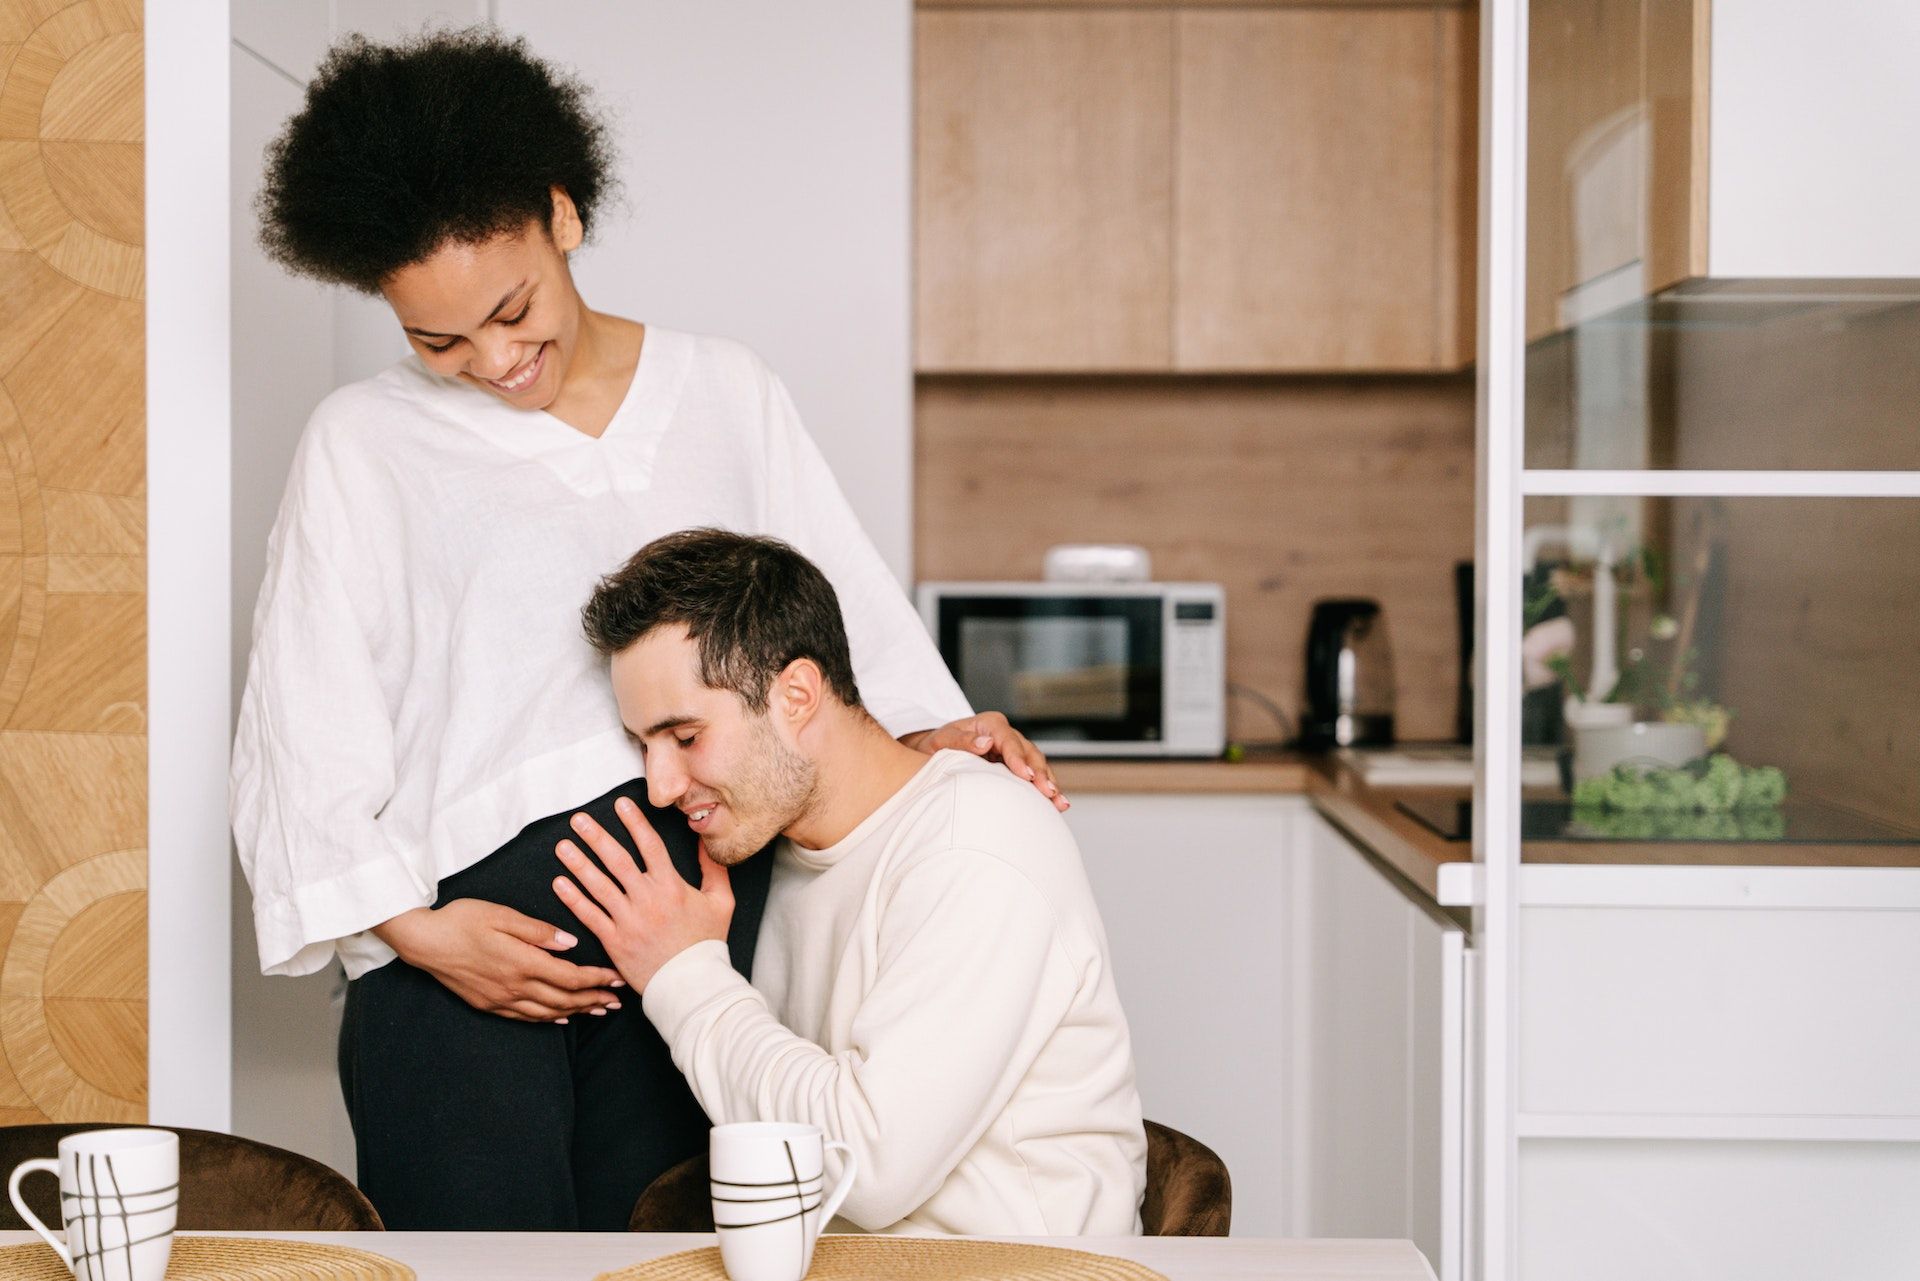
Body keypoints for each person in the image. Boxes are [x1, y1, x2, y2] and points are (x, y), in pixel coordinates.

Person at [230, 27, 1063, 1231]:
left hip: (702, 957)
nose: (493, 360)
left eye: (512, 311)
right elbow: (303, 728)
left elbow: (831, 631)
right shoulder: (363, 443)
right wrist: (426, 939)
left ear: (563, 216)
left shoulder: (724, 390)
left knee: (676, 1262)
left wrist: (941, 738)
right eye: (437, 341)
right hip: (471, 969)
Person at [552, 529, 1147, 1236]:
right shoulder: (771, 854)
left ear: (798, 693)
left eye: (685, 737)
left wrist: (686, 977)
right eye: (642, 745)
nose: (659, 784)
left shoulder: (979, 842)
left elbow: (868, 1166)